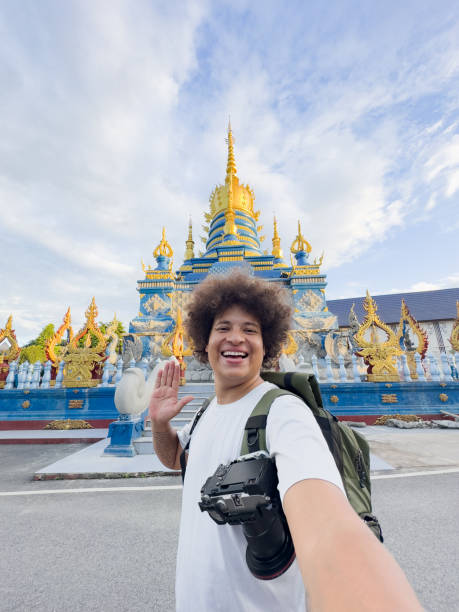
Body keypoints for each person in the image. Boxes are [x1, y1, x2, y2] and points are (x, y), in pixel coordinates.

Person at [149, 271, 423, 611]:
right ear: (205, 342)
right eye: (223, 328)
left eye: (250, 330)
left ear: (267, 347)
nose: (236, 338)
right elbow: (177, 457)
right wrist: (160, 424)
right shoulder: (206, 412)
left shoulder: (282, 412)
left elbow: (329, 531)